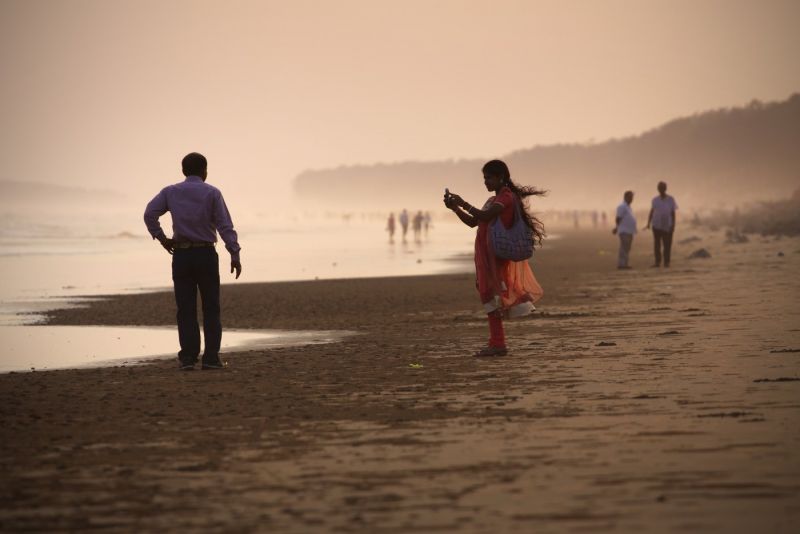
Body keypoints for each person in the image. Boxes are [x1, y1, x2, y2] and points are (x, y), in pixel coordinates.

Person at [143, 152, 242, 371]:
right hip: (206, 254)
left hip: (181, 255)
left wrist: (162, 239)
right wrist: (234, 253)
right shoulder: (212, 193)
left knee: (185, 308)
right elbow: (225, 225)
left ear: (183, 171)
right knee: (211, 307)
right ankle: (210, 358)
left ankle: (188, 357)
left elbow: (150, 214)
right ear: (204, 171)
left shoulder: (170, 192)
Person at [444, 159, 544, 357]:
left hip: (494, 256)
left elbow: (487, 216)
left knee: (490, 295)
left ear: (501, 177)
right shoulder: (493, 199)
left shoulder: (506, 197)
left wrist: (462, 202)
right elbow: (474, 222)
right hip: (485, 254)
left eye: (489, 178)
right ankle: (496, 341)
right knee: (489, 294)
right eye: (484, 178)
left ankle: (498, 343)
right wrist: (455, 208)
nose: (485, 182)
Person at [644, 181, 678, 268]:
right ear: (658, 189)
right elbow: (652, 211)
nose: (661, 189)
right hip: (657, 225)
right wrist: (648, 223)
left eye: (663, 187)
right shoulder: (655, 200)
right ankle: (657, 262)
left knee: (667, 244)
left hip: (667, 225)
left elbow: (673, 213)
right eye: (660, 188)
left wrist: (673, 224)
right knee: (657, 244)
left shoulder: (671, 199)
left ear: (665, 188)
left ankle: (666, 262)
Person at [612, 191, 637, 269]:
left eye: (632, 197)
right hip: (624, 230)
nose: (631, 199)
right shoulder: (622, 206)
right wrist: (616, 227)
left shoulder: (628, 207)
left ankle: (625, 263)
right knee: (624, 247)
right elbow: (618, 218)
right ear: (625, 197)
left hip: (629, 231)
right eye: (630, 197)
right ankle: (622, 264)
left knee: (627, 247)